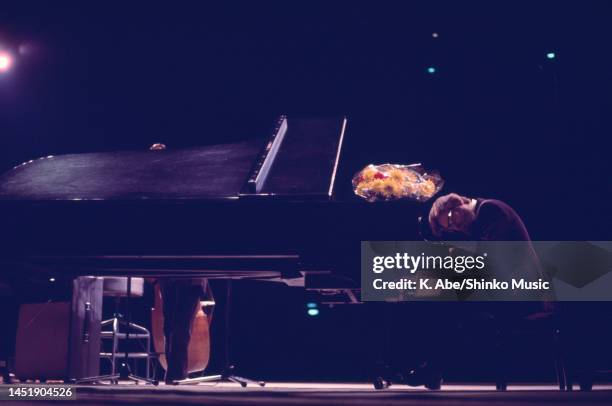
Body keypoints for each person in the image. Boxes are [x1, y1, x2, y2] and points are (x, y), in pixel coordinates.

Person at [403, 193, 550, 389]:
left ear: (459, 202)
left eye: (450, 219)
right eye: (450, 228)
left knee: (445, 305)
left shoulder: (490, 210)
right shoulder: (480, 220)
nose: (456, 226)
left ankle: (432, 368)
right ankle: (431, 367)